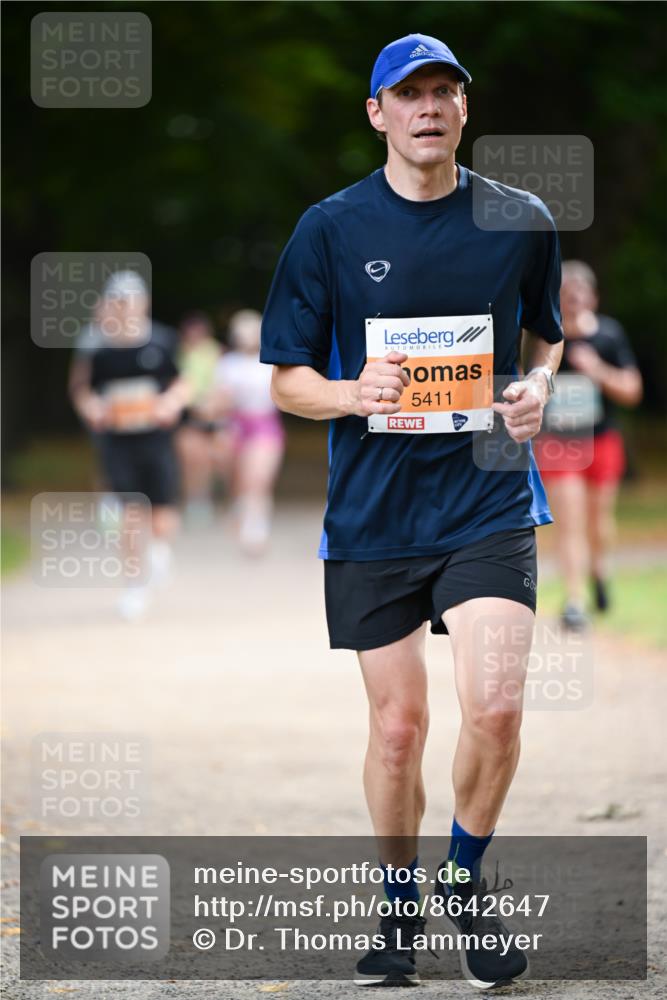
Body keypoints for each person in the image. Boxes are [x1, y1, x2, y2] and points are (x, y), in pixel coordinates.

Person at [261, 33, 564, 989]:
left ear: (464, 111)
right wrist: (354, 394)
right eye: (408, 94)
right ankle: (398, 913)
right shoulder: (330, 227)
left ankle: (465, 883)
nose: (428, 108)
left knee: (501, 706)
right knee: (398, 730)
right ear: (376, 114)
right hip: (374, 513)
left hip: (486, 494)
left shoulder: (519, 219)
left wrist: (536, 391)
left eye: (444, 92)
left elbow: (544, 337)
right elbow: (285, 380)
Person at [69, 271, 189, 619]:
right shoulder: (96, 344)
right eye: (118, 300)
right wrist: (90, 406)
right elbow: (81, 388)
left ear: (143, 302)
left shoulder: (162, 340)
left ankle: (160, 549)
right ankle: (135, 586)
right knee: (130, 515)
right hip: (117, 441)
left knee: (163, 516)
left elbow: (182, 383)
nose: (124, 307)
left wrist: (171, 402)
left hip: (156, 439)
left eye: (130, 299)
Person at [535, 260, 642, 631]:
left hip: (602, 440)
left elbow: (632, 390)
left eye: (580, 294)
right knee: (570, 522)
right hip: (560, 443)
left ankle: (599, 571)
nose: (574, 301)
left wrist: (596, 369)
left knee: (599, 522)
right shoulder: (546, 339)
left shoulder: (609, 336)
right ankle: (575, 601)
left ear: (593, 298)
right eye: (566, 295)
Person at [213, 309, 285, 554]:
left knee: (258, 478)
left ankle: (256, 527)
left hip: (264, 424)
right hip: (235, 424)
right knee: (238, 479)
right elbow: (219, 399)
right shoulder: (227, 364)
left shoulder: (271, 362)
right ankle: (240, 511)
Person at [174, 311, 224, 526]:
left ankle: (204, 497)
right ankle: (194, 499)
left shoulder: (215, 352)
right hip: (189, 412)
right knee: (190, 458)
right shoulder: (180, 353)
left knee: (210, 459)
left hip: (212, 411)